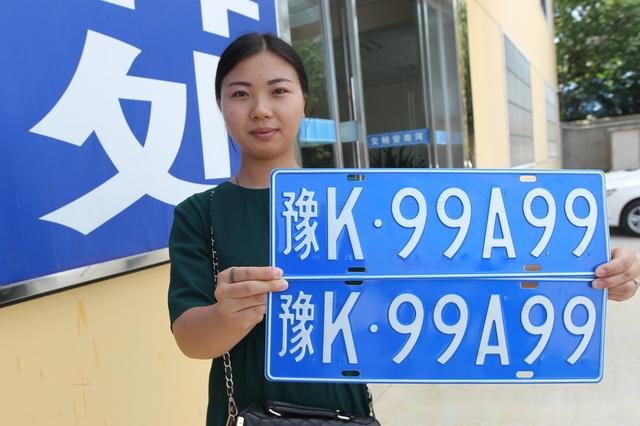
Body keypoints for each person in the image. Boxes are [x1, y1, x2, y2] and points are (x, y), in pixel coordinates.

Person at [168, 32, 640, 426]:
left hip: (346, 414)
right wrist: (230, 315)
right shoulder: (200, 214)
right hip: (248, 415)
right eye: (240, 93)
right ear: (220, 105)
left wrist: (592, 276)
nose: (260, 109)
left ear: (304, 102)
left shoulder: (364, 201)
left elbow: (471, 274)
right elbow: (191, 339)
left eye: (278, 90)